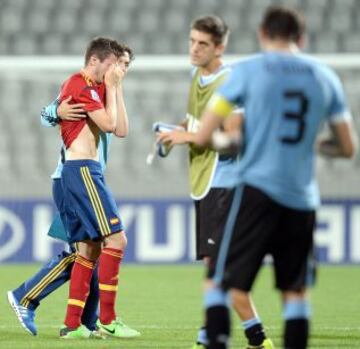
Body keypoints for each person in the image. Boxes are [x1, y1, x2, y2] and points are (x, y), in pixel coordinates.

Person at [159, 6, 357, 349]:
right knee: (295, 292)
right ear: (301, 38)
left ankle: (216, 340)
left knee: (218, 277)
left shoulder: (246, 72)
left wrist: (213, 138)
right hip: (302, 195)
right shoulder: (325, 77)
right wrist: (314, 143)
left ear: (263, 34)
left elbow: (212, 136)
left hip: (254, 190)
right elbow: (347, 148)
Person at [8, 42, 139, 340]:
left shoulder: (103, 88)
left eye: (127, 66)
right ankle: (27, 297)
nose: (122, 71)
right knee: (94, 247)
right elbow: (46, 115)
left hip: (86, 174)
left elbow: (120, 129)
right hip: (73, 175)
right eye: (119, 64)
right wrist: (56, 109)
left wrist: (116, 88)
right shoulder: (81, 85)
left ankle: (78, 323)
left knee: (89, 250)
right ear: (98, 60)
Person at [158, 15, 272, 349]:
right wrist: (176, 131)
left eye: (202, 44)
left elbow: (234, 139)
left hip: (226, 183)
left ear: (219, 47)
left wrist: (188, 137)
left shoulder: (230, 83)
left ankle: (243, 337)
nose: (194, 49)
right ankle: (241, 336)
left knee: (219, 266)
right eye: (192, 41)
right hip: (206, 182)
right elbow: (198, 122)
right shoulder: (197, 76)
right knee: (215, 264)